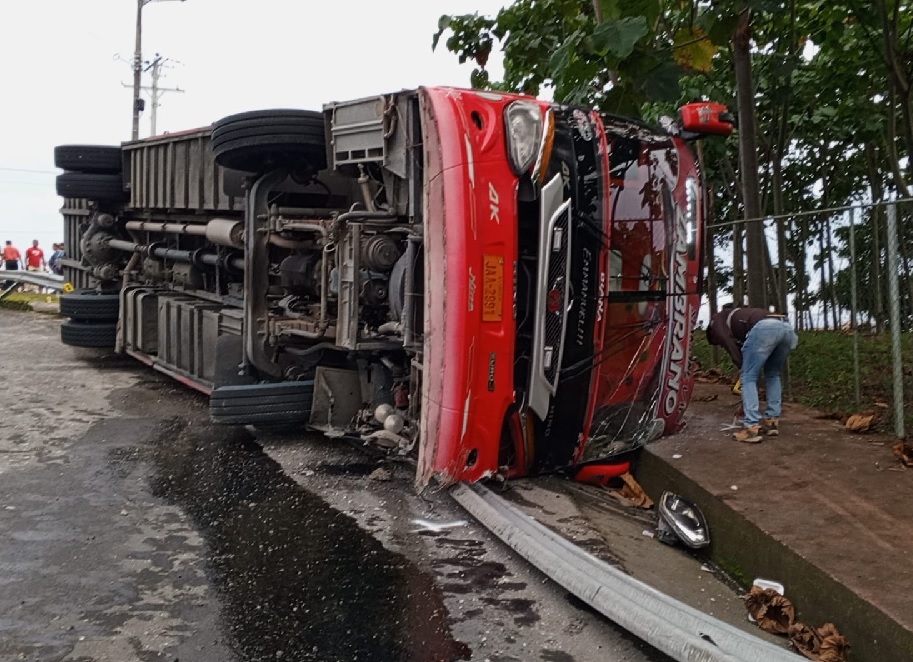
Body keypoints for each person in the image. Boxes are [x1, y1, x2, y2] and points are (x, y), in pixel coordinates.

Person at [706, 304, 799, 443]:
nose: (719, 344)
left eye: (716, 342)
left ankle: (751, 427)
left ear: (712, 333)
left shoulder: (716, 322)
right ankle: (772, 421)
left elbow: (731, 346)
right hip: (785, 326)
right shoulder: (735, 316)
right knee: (773, 374)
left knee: (748, 377)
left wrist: (742, 367)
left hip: (764, 328)